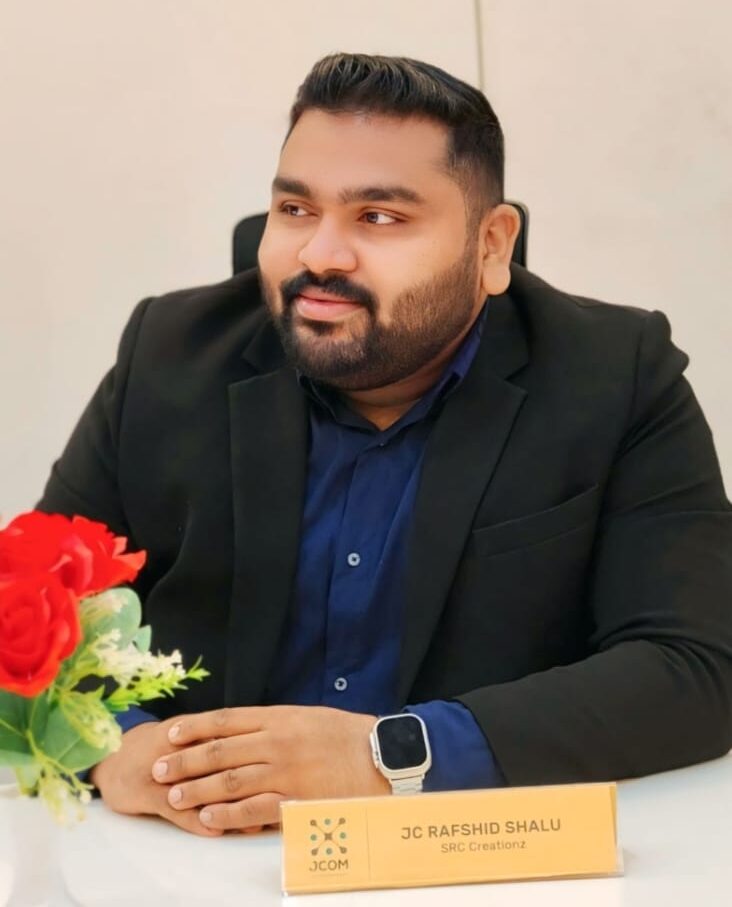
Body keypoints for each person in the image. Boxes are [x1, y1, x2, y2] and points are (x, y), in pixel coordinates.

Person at [37, 53, 732, 837]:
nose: (320, 254)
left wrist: (388, 755)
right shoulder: (169, 352)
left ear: (492, 245)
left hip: (480, 853)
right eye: (295, 208)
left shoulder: (615, 375)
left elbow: (697, 667)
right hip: (191, 851)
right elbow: (26, 607)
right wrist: (116, 744)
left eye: (378, 217)